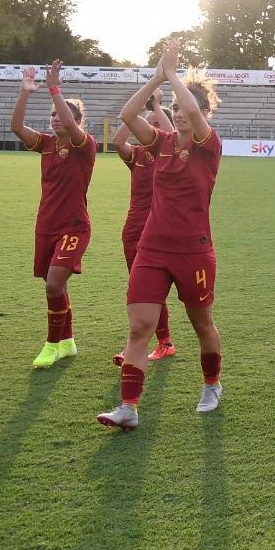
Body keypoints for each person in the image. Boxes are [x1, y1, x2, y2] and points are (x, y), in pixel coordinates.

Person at [98, 39, 226, 430]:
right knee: (139, 327)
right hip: (151, 249)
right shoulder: (161, 143)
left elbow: (189, 106)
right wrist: (156, 79)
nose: (179, 114)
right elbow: (127, 113)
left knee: (202, 324)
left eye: (187, 109)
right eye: (173, 109)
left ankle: (211, 384)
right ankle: (128, 408)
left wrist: (172, 74)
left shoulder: (209, 145)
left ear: (204, 113)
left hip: (193, 251)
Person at [9, 61, 96, 368]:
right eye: (53, 115)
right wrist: (25, 92)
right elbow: (17, 128)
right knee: (57, 286)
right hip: (46, 225)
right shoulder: (45, 144)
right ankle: (69, 341)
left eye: (62, 115)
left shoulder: (84, 145)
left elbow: (73, 130)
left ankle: (52, 344)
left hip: (74, 226)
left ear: (77, 120)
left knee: (52, 285)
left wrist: (54, 88)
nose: (56, 119)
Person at [113, 90, 175, 363]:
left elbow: (173, 134)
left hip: (160, 230)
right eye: (148, 124)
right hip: (133, 229)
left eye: (157, 124)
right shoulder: (137, 154)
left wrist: (158, 106)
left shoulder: (170, 154)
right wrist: (135, 113)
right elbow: (117, 142)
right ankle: (160, 342)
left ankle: (150, 344)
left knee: (151, 290)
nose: (151, 128)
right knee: (139, 289)